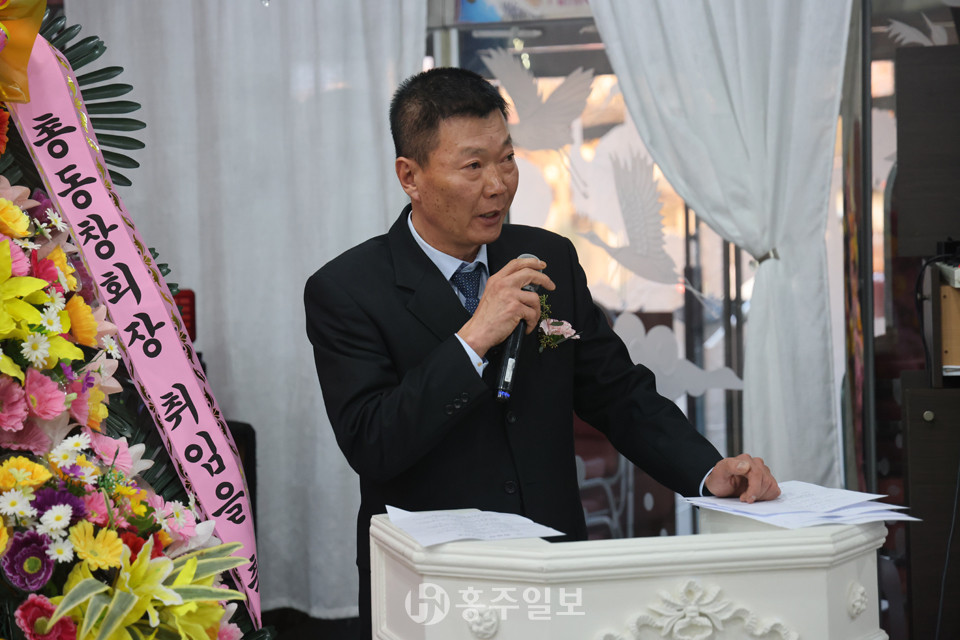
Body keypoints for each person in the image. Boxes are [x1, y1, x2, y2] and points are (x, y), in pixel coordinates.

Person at [304, 67, 780, 636]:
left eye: (507, 159)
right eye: (473, 166)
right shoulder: (347, 290)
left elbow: (617, 392)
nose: (498, 184)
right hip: (432, 584)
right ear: (411, 176)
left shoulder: (547, 258)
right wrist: (473, 338)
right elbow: (373, 442)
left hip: (553, 567)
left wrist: (707, 471)